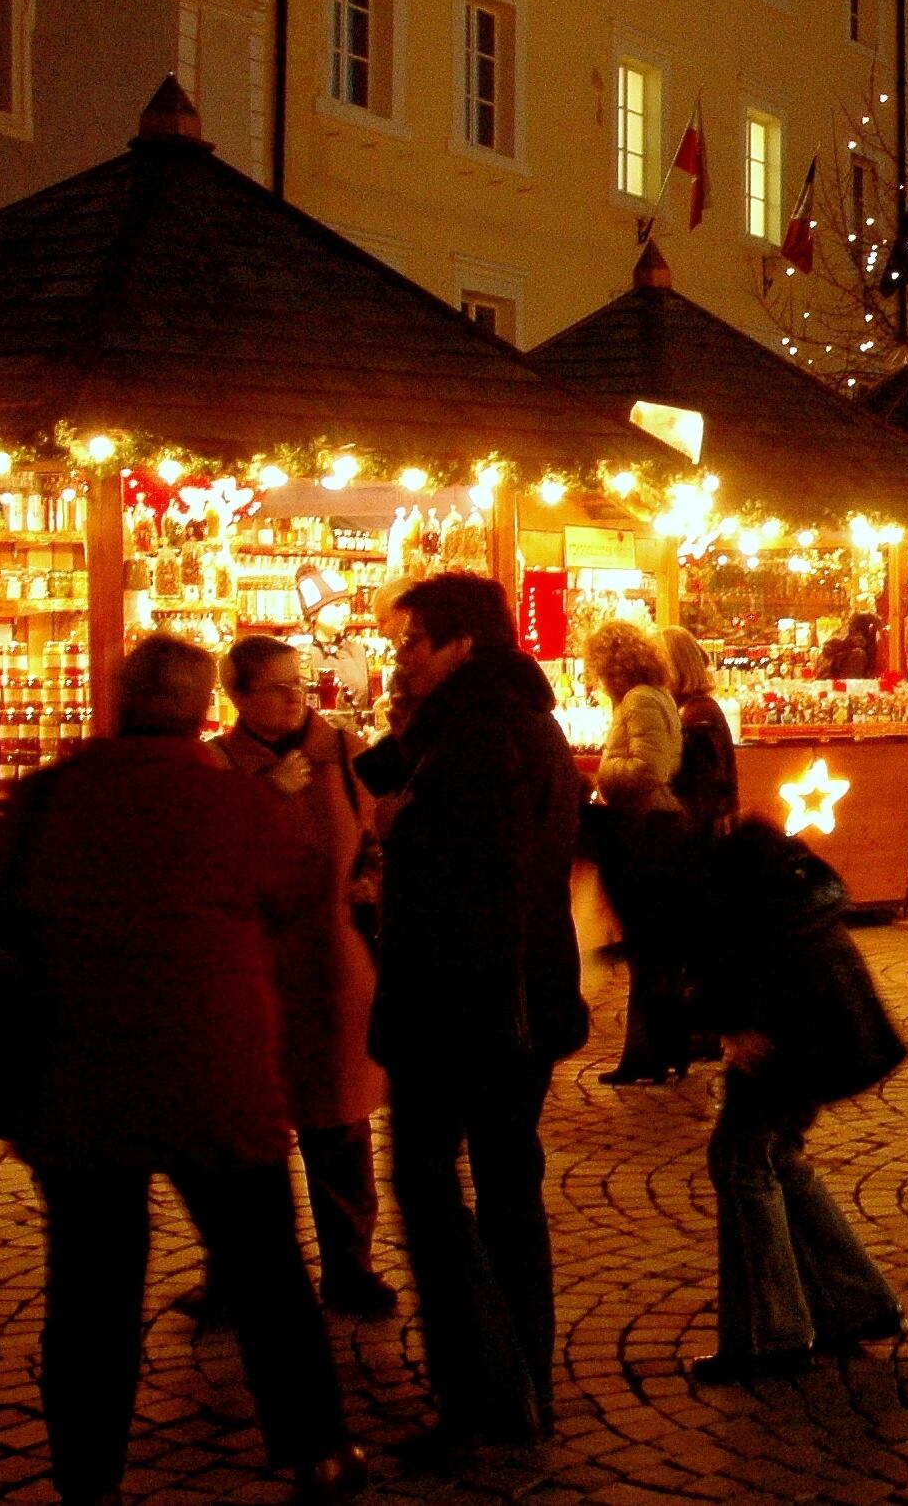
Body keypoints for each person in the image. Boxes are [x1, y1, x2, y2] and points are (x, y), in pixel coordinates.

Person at [0, 637, 364, 1506]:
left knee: (89, 1286)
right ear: (205, 708)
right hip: (212, 1064)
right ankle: (318, 1448)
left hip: (79, 1071)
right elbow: (298, 882)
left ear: (117, 698)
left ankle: (89, 1474)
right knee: (266, 1267)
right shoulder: (228, 799)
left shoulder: (53, 795)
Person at [356, 572, 587, 1453]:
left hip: (468, 1002)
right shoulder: (495, 724)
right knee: (503, 1187)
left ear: (463, 645)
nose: (399, 656)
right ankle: (520, 1381)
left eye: (413, 642)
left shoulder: (483, 736)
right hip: (508, 999)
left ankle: (486, 1391)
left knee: (429, 1180)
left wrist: (395, 831)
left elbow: (479, 875)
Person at [682, 822, 906, 1380]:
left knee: (743, 1164)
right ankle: (857, 1303)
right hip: (815, 1034)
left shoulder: (732, 886)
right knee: (773, 1159)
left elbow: (739, 957)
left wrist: (731, 1022)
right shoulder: (780, 874)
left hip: (790, 1037)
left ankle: (770, 1335)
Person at [213, 636, 394, 1318]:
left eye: (299, 681)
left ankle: (350, 1269)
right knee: (247, 1135)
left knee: (340, 1127)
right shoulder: (223, 767)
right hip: (254, 973)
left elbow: (380, 839)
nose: (295, 695)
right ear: (238, 697)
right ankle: (241, 1278)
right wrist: (261, 793)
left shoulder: (346, 755)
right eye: (277, 686)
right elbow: (215, 863)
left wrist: (373, 880)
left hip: (333, 967)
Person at [587, 619, 693, 1088]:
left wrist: (606, 771)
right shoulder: (659, 696)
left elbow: (649, 767)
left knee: (647, 949)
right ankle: (665, 1049)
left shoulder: (638, 700)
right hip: (661, 827)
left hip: (646, 829)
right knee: (660, 947)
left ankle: (647, 1053)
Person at [662, 626, 739, 834]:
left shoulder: (697, 715)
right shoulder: (697, 709)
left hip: (702, 836)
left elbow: (704, 787)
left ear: (672, 667)